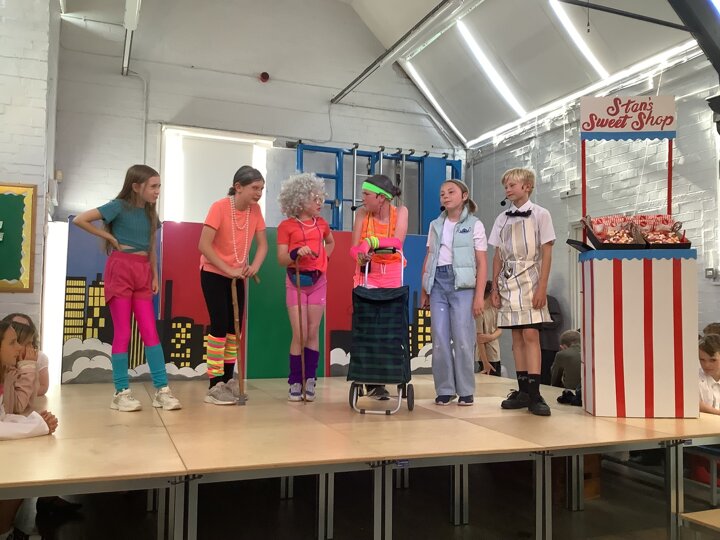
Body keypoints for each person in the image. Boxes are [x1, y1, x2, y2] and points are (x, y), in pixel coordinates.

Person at [73, 164, 181, 412]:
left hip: (143, 272)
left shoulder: (151, 214)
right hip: (120, 270)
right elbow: (80, 219)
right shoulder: (118, 206)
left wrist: (155, 275)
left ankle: (162, 390)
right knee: (123, 332)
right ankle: (121, 392)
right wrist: (109, 238)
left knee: (150, 332)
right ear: (136, 186)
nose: (157, 191)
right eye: (153, 186)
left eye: (159, 186)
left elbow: (152, 246)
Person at [198, 165, 268, 405]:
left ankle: (228, 380)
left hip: (236, 276)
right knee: (219, 326)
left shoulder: (255, 210)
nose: (258, 193)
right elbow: (203, 245)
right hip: (213, 273)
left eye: (261, 189)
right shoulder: (219, 207)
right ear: (238, 187)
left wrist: (254, 265)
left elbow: (263, 244)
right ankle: (214, 384)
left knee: (233, 329)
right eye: (254, 188)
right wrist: (227, 269)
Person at [489, 168, 555, 416]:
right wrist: (494, 288)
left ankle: (536, 393)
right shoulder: (501, 218)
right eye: (506, 185)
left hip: (531, 279)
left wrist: (543, 287)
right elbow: (497, 255)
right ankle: (523, 390)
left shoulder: (541, 214)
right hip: (508, 280)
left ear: (527, 187)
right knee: (516, 336)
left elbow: (547, 253)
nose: (507, 189)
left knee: (530, 334)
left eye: (512, 185)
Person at [421, 179, 487, 406]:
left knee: (463, 338)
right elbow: (429, 256)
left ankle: (466, 389)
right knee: (439, 339)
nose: (446, 196)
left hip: (463, 286)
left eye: (451, 192)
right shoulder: (435, 224)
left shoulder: (475, 224)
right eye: (442, 193)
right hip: (437, 283)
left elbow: (482, 262)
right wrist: (425, 288)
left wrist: (479, 296)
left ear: (464, 196)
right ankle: (445, 389)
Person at [277, 173, 335, 402]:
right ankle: (295, 381)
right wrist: (295, 253)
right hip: (296, 282)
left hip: (319, 282)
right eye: (314, 199)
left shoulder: (322, 224)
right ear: (300, 200)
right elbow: (281, 259)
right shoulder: (286, 226)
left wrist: (324, 260)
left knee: (312, 332)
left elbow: (330, 242)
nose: (320, 202)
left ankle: (310, 379)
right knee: (299, 333)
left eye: (321, 198)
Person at [350, 174, 408, 399]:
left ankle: (392, 375)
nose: (362, 198)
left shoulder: (400, 212)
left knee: (390, 328)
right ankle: (373, 383)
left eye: (366, 194)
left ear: (381, 198)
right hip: (368, 273)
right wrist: (361, 255)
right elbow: (354, 249)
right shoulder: (362, 214)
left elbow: (397, 242)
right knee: (368, 329)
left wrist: (370, 242)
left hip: (392, 274)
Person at [0, 321, 59, 540]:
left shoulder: (5, 373)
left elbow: (5, 415)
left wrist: (36, 422)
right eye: (13, 342)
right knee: (17, 473)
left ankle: (6, 530)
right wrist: (37, 426)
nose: (20, 348)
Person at [1, 314, 48, 397]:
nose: (18, 347)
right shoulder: (6, 367)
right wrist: (28, 367)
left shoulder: (38, 357)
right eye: (13, 342)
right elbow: (19, 402)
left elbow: (40, 389)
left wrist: (30, 367)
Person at [476, 281, 502, 376]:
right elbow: (480, 339)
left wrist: (491, 337)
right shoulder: (479, 312)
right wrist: (485, 362)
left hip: (495, 354)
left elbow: (500, 329)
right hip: (485, 357)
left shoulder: (494, 309)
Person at [539, 295, 563, 385]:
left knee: (545, 376)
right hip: (526, 346)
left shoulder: (550, 300)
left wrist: (536, 323)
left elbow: (556, 320)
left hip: (546, 345)